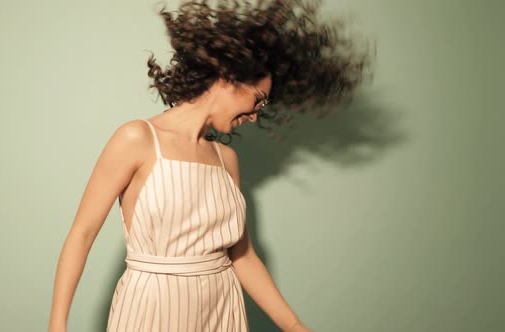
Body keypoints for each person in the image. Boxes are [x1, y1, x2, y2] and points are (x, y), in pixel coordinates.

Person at [48, 0, 372, 331]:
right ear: (228, 77)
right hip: (152, 308)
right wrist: (57, 325)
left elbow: (242, 256)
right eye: (257, 99)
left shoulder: (226, 158)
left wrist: (293, 326)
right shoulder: (137, 138)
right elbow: (82, 233)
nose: (256, 114)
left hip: (221, 308)